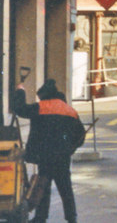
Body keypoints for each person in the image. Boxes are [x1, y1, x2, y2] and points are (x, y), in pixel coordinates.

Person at [13, 78, 85, 223]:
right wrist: (70, 148)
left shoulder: (41, 107)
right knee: (65, 188)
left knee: (43, 186)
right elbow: (80, 135)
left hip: (44, 155)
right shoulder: (70, 110)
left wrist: (20, 91)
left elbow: (20, 109)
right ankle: (72, 218)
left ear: (45, 95)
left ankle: (41, 217)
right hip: (62, 156)